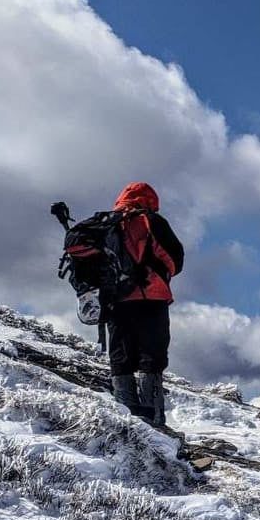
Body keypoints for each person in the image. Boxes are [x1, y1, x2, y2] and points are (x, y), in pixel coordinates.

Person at [106, 182, 184, 428]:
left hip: (114, 301)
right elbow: (174, 259)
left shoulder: (105, 225)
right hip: (151, 298)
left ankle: (128, 422)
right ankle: (155, 423)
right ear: (150, 200)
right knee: (152, 356)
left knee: (121, 357)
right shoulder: (152, 221)